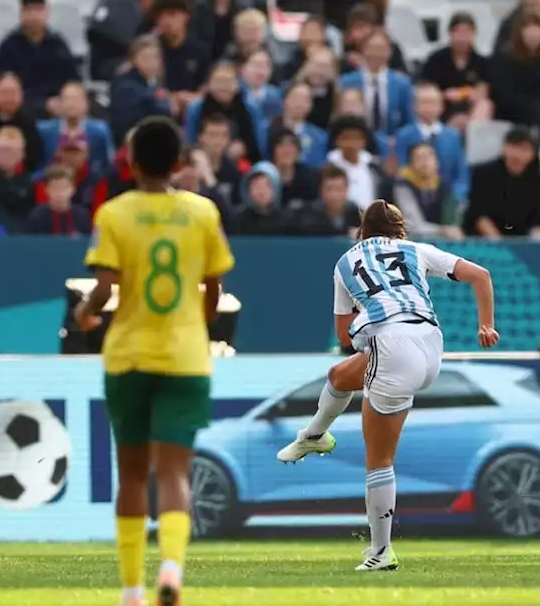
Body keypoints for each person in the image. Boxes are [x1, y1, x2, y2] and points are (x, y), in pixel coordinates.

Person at [276, 200, 498, 571]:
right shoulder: (417, 249)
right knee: (339, 377)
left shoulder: (346, 261)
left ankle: (381, 552)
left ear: (361, 230)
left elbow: (343, 335)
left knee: (379, 460)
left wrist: (370, 313)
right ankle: (313, 434)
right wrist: (485, 325)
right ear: (400, 229)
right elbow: (481, 275)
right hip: (430, 346)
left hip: (391, 348)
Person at [73, 117, 234, 606]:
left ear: (131, 161)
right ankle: (170, 569)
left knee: (132, 475)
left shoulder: (115, 214)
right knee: (174, 474)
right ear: (180, 162)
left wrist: (83, 314)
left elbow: (103, 287)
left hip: (130, 356)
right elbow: (214, 290)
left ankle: (130, 590)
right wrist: (198, 327)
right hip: (185, 357)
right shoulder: (203, 213)